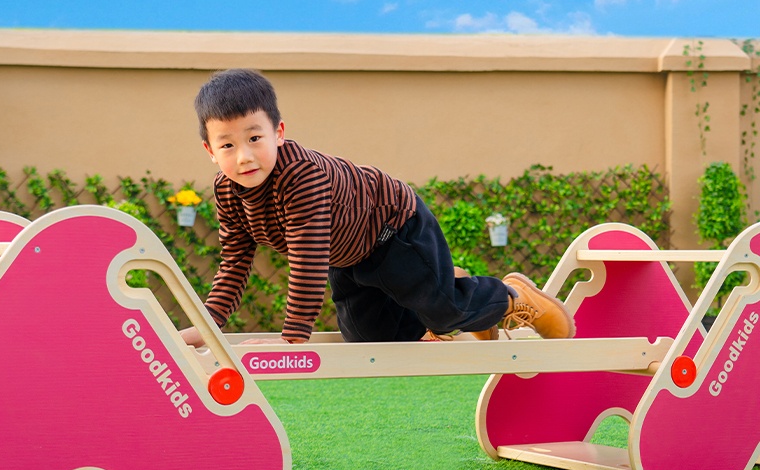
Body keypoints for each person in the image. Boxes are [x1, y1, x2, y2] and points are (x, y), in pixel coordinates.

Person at [180, 69, 575, 347]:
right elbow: (233, 263)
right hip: (348, 253)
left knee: (444, 309)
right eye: (228, 145)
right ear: (210, 152)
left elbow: (307, 258)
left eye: (254, 138)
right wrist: (205, 327)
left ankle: (511, 297)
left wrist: (292, 340)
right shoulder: (228, 192)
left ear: (278, 133)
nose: (245, 156)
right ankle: (449, 288)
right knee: (370, 339)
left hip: (392, 228)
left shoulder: (300, 177)